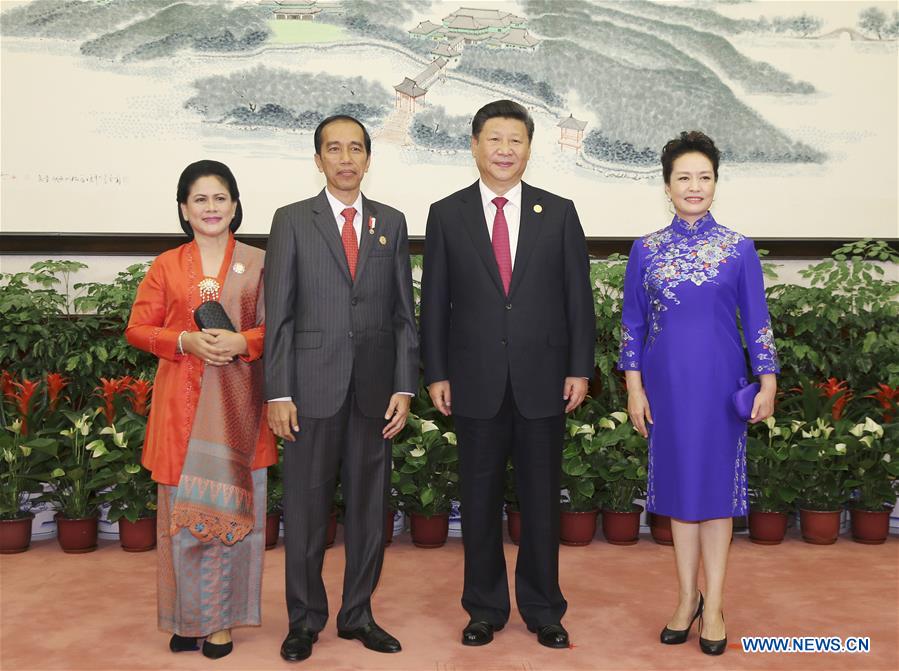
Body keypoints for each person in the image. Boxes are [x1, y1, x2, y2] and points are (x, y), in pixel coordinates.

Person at [420, 100, 595, 649]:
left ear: (528, 147)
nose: (503, 150)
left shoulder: (559, 212)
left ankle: (545, 609)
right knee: (477, 502)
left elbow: (578, 300)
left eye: (514, 140)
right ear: (474, 145)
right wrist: (436, 372)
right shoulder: (446, 214)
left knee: (542, 502)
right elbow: (436, 304)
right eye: (493, 139)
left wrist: (579, 369)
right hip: (473, 379)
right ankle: (485, 609)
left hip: (544, 379)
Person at [264, 115, 419, 663]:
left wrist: (405, 385)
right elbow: (277, 314)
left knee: (369, 510)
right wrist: (278, 392)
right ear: (319, 159)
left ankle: (358, 615)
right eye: (335, 149)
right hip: (309, 391)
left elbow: (404, 314)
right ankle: (304, 619)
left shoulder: (391, 223)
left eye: (356, 148)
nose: (346, 158)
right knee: (306, 512)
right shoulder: (291, 221)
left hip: (375, 394)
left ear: (368, 158)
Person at [618, 131, 779, 655]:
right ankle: (686, 599)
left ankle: (715, 605)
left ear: (716, 184)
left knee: (715, 501)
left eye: (704, 177)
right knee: (679, 499)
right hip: (665, 392)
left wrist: (769, 380)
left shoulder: (739, 248)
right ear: (667, 186)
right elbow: (632, 327)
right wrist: (633, 390)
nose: (694, 186)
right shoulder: (646, 250)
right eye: (683, 177)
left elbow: (757, 321)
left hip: (719, 389)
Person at [126, 160, 276, 660]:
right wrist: (185, 340)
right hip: (180, 413)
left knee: (233, 519)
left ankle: (221, 624)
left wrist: (243, 340)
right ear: (184, 209)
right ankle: (186, 619)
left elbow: (280, 329)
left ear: (235, 205)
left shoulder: (259, 262)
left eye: (220, 198)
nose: (211, 208)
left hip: (239, 413)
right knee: (179, 523)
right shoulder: (167, 264)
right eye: (200, 200)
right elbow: (138, 329)